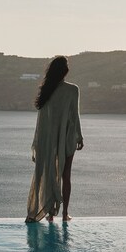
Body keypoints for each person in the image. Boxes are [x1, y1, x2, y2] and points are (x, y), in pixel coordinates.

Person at [25, 56, 84, 223]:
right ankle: (64, 214)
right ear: (65, 71)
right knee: (66, 175)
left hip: (48, 139)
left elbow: (41, 121)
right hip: (67, 137)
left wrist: (38, 142)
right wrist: (79, 136)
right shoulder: (73, 90)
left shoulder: (46, 90)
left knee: (48, 173)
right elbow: (75, 115)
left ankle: (50, 213)